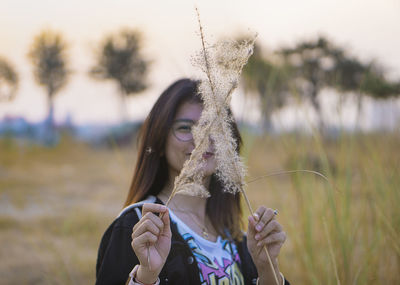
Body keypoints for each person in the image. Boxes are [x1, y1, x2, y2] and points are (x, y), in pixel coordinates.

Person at [96, 78, 289, 285]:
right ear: (159, 141)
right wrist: (146, 276)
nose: (201, 140)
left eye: (213, 128)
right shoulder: (137, 229)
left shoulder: (238, 237)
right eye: (185, 128)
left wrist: (268, 268)